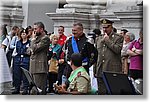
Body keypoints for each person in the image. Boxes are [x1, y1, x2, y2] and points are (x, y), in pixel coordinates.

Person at [94, 19, 124, 94]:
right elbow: (96, 55)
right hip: (100, 69)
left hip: (112, 70)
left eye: (107, 27)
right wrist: (95, 69)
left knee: (112, 92)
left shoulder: (118, 37)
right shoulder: (99, 38)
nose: (104, 29)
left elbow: (117, 50)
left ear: (111, 27)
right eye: (103, 27)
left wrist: (108, 41)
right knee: (102, 92)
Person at [27, 22, 50, 94]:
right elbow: (28, 51)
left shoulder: (45, 38)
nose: (34, 31)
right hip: (32, 67)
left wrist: (33, 41)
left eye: (36, 29)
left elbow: (34, 49)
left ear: (41, 29)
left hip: (40, 68)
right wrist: (32, 49)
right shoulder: (36, 38)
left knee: (39, 89)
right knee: (33, 89)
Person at [11, 28, 30, 95]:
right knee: (17, 74)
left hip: (26, 59)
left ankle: (25, 88)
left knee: (25, 75)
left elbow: (28, 52)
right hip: (18, 59)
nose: (23, 35)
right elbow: (16, 51)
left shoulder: (29, 42)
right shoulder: (18, 42)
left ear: (27, 34)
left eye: (24, 34)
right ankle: (17, 88)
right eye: (22, 34)